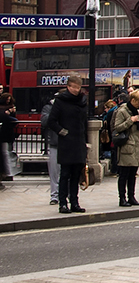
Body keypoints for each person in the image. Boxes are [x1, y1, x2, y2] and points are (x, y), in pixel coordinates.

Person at [47, 75, 89, 214]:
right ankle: (63, 203)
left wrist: (86, 141)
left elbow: (85, 123)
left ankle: (75, 202)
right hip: (66, 142)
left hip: (79, 142)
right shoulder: (60, 101)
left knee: (76, 174)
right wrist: (61, 131)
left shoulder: (82, 101)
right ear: (68, 87)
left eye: (78, 87)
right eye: (73, 87)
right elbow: (51, 121)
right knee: (65, 174)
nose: (76, 90)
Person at [113, 90, 139, 207]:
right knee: (124, 174)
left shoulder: (138, 112)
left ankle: (131, 197)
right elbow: (117, 127)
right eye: (138, 102)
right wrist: (130, 121)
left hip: (137, 146)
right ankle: (122, 198)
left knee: (133, 174)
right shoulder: (122, 111)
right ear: (132, 100)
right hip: (127, 146)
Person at [40, 93, 61, 203]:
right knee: (54, 172)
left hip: (67, 143)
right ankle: (54, 196)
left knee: (65, 172)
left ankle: (64, 195)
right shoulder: (48, 108)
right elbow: (44, 121)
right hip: (54, 142)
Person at [0, 94, 17, 190]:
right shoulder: (4, 111)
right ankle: (7, 173)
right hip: (4, 134)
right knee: (5, 154)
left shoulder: (10, 108)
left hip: (6, 134)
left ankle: (6, 173)